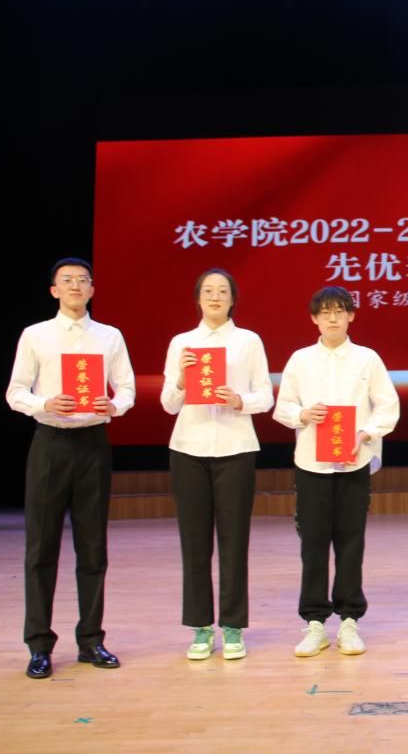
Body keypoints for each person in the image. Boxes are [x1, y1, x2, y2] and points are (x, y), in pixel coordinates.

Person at [6, 257, 136, 679]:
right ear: (54, 290)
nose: (76, 286)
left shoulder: (109, 336)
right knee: (41, 548)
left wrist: (113, 405)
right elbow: (15, 392)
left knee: (93, 548)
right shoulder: (36, 335)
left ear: (93, 289)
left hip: (93, 444)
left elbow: (127, 388)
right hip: (51, 443)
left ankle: (91, 640)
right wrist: (45, 402)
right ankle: (38, 645)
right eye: (67, 280)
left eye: (83, 280)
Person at [274, 286, 399, 656]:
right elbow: (282, 407)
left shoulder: (367, 359)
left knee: (351, 542)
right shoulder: (300, 360)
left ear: (351, 316)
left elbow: (388, 406)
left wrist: (367, 433)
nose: (332, 318)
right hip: (311, 464)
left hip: (353, 463)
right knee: (313, 543)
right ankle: (315, 623)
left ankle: (349, 620)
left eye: (339, 311)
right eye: (325, 312)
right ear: (314, 318)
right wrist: (302, 414)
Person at [160, 269, 274, 660]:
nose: (215, 297)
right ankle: (200, 627)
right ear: (198, 298)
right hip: (188, 448)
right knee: (194, 542)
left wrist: (239, 400)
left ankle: (233, 626)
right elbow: (168, 404)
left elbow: (265, 396)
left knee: (234, 541)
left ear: (232, 299)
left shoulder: (248, 341)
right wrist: (181, 380)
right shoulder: (182, 343)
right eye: (208, 291)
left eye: (222, 291)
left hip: (235, 448)